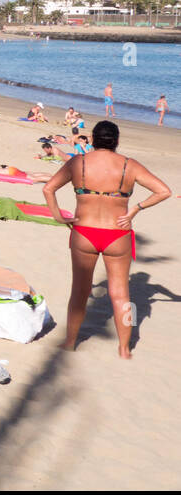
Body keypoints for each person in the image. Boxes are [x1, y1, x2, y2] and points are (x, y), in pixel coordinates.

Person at [42, 121, 172, 358]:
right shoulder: (128, 165)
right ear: (117, 141)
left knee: (80, 291)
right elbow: (164, 191)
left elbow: (48, 189)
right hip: (117, 234)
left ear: (92, 139)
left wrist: (59, 217)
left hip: (84, 232)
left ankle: (70, 342)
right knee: (121, 294)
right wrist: (135, 209)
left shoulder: (78, 162)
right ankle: (124, 349)